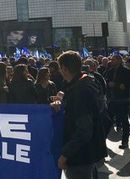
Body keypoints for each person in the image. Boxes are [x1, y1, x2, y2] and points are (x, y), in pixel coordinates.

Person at [51, 51, 107, 179]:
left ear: (64, 68)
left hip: (80, 155)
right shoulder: (85, 82)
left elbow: (84, 129)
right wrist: (62, 102)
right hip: (89, 151)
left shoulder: (80, 90)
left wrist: (65, 154)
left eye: (60, 68)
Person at [104, 54, 130, 149]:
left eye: (114, 60)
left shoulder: (126, 71)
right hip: (113, 99)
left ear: (119, 60)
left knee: (124, 120)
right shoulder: (110, 71)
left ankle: (125, 141)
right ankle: (102, 140)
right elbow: (106, 80)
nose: (112, 61)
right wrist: (108, 84)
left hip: (123, 99)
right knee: (108, 120)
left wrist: (124, 86)